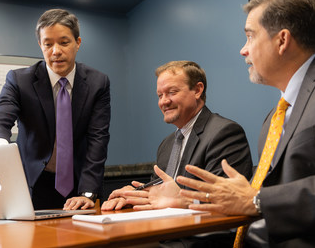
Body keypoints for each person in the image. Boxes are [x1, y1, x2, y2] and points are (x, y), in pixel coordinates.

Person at [174, 0, 315, 247]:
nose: (243, 51)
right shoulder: (272, 119)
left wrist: (259, 200)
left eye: (249, 36)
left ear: (282, 41)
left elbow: (258, 200)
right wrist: (186, 199)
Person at [0, 9, 111, 210]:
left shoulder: (97, 83)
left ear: (78, 43)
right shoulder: (19, 80)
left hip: (79, 182)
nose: (56, 51)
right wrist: (0, 151)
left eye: (64, 42)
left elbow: (98, 139)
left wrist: (87, 192)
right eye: (48, 44)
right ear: (41, 46)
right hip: (31, 183)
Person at [101, 60, 253, 211]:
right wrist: (132, 195)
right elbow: (159, 194)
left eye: (172, 92)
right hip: (165, 228)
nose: (164, 101)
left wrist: (182, 199)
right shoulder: (166, 145)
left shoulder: (224, 133)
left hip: (200, 232)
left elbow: (226, 200)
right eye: (160, 95)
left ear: (198, 90)